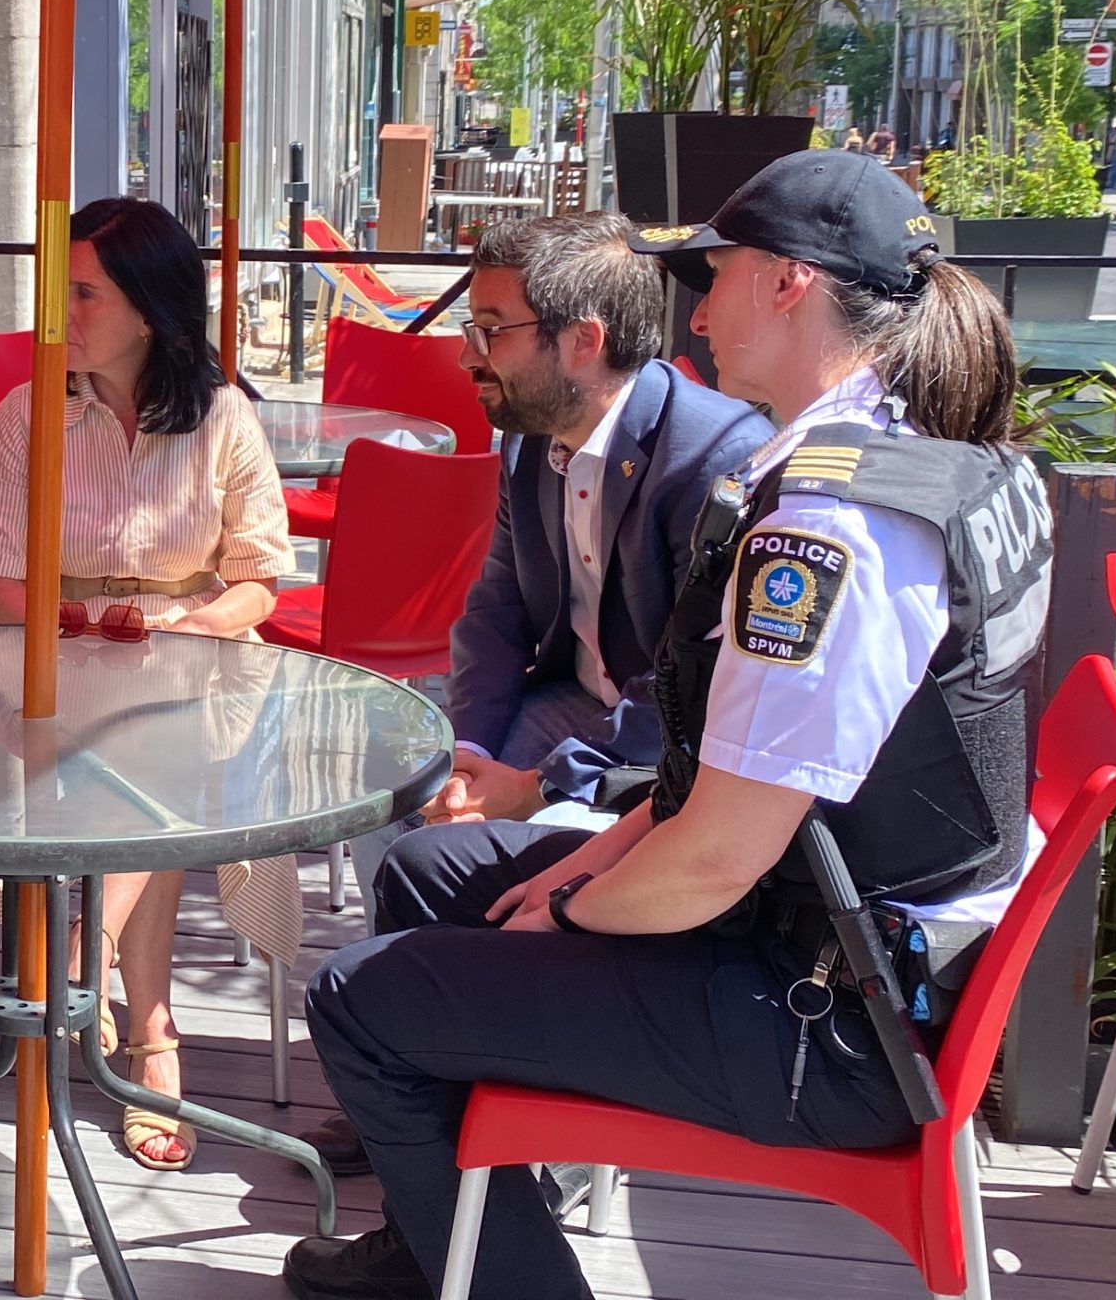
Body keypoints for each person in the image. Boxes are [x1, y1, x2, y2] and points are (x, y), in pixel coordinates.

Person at [282, 149, 1051, 1299]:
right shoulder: (921, 462)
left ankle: (505, 1282)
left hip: (827, 1020)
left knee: (361, 998)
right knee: (430, 879)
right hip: (836, 941)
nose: (696, 300)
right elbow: (734, 786)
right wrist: (591, 855)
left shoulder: (829, 534)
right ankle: (443, 1237)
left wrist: (576, 909)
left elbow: (715, 858)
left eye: (719, 266)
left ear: (789, 283)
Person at [299, 210, 772, 1179]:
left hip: (664, 747)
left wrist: (541, 779)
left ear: (583, 341)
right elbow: (494, 613)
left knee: (501, 848)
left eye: (490, 329)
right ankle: (419, 1078)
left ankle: (528, 1130)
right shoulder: (532, 436)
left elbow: (689, 683)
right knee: (407, 793)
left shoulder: (713, 461)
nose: (469, 354)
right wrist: (469, 755)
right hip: (570, 699)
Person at [0, 195, 297, 1171]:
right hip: (48, 658)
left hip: (188, 658)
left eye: (82, 294)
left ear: (149, 308)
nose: (56, 315)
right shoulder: (29, 411)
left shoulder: (223, 416)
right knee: (148, 750)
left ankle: (83, 964)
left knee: (163, 733)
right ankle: (149, 1033)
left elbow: (257, 584)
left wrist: (182, 629)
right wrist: (68, 631)